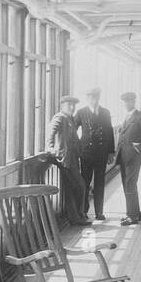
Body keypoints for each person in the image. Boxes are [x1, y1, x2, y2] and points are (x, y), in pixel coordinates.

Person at [46, 95, 90, 226]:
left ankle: (75, 218)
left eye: (73, 105)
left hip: (72, 158)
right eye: (69, 105)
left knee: (72, 188)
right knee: (80, 186)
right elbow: (50, 133)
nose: (72, 107)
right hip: (65, 160)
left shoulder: (69, 118)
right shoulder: (60, 117)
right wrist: (50, 147)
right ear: (62, 106)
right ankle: (78, 217)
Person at [115, 91, 141, 226]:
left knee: (130, 185)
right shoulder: (125, 117)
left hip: (133, 158)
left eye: (129, 102)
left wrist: (139, 148)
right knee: (128, 186)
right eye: (125, 102)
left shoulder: (140, 117)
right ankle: (133, 214)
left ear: (134, 102)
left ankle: (132, 216)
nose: (127, 104)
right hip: (123, 158)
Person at [75, 87, 114, 220]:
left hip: (101, 153)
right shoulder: (81, 113)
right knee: (85, 182)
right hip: (86, 153)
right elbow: (72, 130)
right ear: (88, 99)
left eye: (96, 97)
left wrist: (111, 152)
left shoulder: (105, 112)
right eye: (92, 98)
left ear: (99, 98)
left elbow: (109, 132)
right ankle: (84, 211)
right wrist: (77, 146)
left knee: (99, 183)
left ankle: (99, 212)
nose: (94, 100)